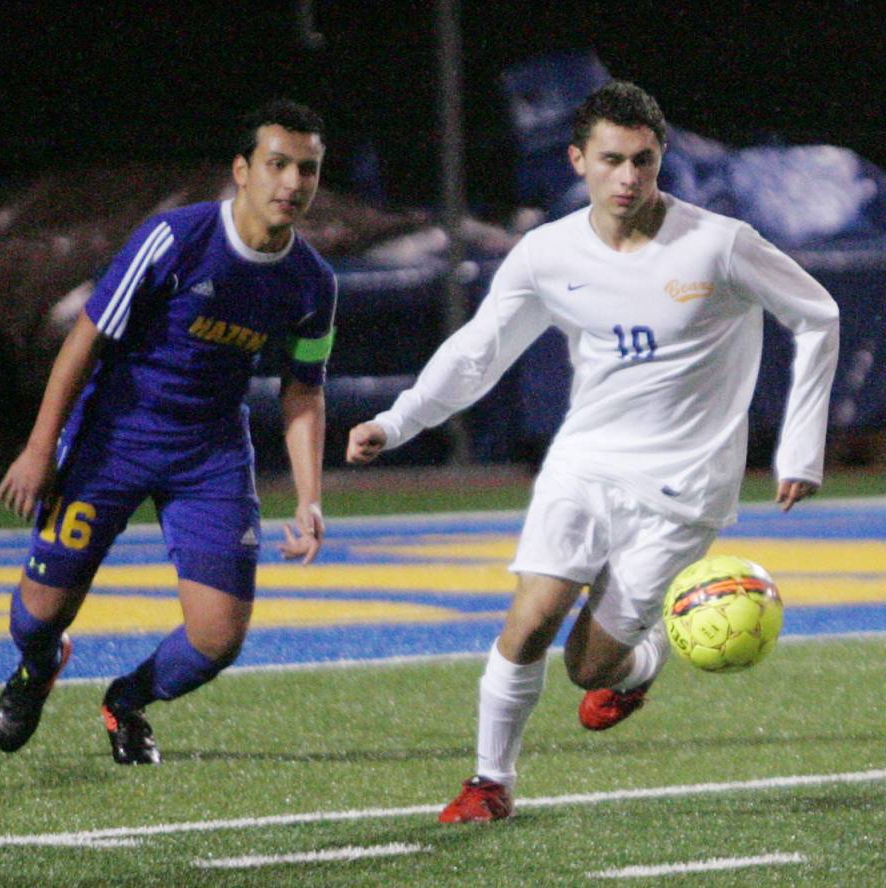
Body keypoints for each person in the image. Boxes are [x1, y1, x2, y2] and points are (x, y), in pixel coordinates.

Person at [346, 81, 839, 821]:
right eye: (612, 160)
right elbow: (480, 350)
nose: (629, 178)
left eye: (644, 161)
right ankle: (489, 782)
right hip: (586, 463)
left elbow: (820, 315)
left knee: (588, 667)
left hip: (684, 489)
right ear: (579, 160)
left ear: (661, 158)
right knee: (530, 618)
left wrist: (800, 449)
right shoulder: (547, 253)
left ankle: (639, 665)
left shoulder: (719, 244)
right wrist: (400, 420)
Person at [0, 99, 336, 765]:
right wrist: (41, 447)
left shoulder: (312, 283)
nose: (293, 182)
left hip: (209, 455)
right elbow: (87, 337)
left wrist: (309, 497)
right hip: (113, 439)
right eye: (277, 164)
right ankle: (40, 666)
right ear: (242, 170)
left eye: (308, 169)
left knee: (217, 638)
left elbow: (304, 389)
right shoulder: (177, 239)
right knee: (35, 618)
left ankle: (125, 702)